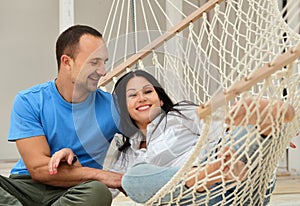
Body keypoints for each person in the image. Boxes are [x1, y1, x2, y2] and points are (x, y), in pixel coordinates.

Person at [49, 70, 295, 205]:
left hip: (241, 182)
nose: (142, 97)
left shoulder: (181, 114)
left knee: (236, 136)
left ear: (161, 98)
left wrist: (243, 132)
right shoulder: (124, 151)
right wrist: (74, 161)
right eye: (132, 95)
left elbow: (222, 135)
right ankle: (218, 166)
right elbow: (104, 189)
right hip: (196, 198)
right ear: (122, 108)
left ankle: (267, 125)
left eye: (148, 91)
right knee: (133, 179)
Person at [0, 25, 123, 206]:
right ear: (66, 62)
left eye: (104, 62)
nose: (103, 71)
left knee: (98, 192)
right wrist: (104, 175)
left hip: (77, 190)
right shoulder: (29, 100)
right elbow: (39, 169)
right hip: (25, 187)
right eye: (94, 62)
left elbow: (153, 134)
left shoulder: (113, 107)